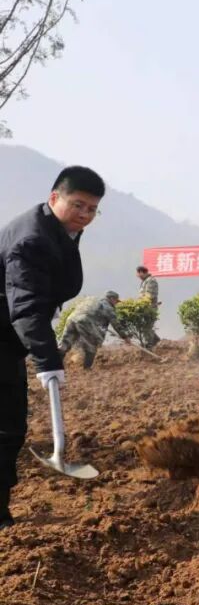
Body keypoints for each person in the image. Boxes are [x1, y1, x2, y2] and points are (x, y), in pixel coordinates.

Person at [0, 165, 106, 529]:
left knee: (9, 425)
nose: (85, 215)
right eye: (78, 205)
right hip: (5, 333)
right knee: (6, 428)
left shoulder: (57, 229)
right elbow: (26, 306)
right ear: (54, 198)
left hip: (9, 337)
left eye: (92, 209)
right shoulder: (31, 240)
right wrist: (46, 360)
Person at [57, 290, 124, 369]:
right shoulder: (108, 306)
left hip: (71, 319)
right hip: (85, 321)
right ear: (112, 298)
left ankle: (55, 365)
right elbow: (115, 323)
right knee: (91, 345)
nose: (116, 303)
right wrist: (125, 336)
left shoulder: (92, 299)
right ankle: (87, 368)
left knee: (64, 344)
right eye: (116, 301)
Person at [135, 265, 161, 348]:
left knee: (147, 327)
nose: (137, 276)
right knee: (145, 327)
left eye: (138, 274)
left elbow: (149, 295)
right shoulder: (145, 281)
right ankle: (157, 342)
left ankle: (149, 345)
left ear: (141, 272)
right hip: (145, 308)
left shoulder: (151, 281)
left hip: (150, 308)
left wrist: (141, 302)